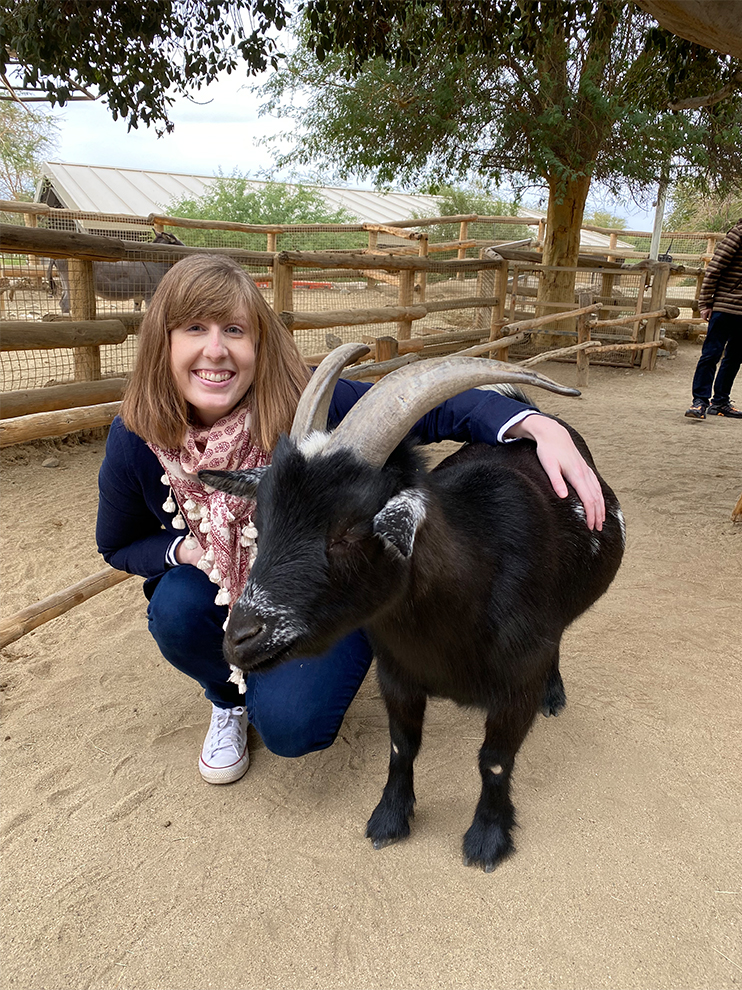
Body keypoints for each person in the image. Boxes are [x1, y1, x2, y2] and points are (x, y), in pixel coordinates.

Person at [97, 254, 606, 785]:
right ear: (164, 341)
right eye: (194, 329)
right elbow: (117, 544)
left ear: (258, 343)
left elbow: (427, 408)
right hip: (226, 586)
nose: (216, 349)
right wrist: (184, 552)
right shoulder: (135, 440)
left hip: (326, 586)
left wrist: (532, 424)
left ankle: (338, 645)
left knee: (295, 728)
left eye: (234, 330)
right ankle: (227, 701)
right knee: (175, 606)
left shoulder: (302, 402)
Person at [685, 218, 742, 419]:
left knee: (735, 358)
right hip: (725, 308)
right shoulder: (738, 234)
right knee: (711, 354)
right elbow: (714, 268)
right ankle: (699, 401)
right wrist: (705, 303)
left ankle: (720, 402)